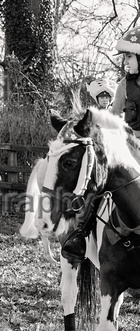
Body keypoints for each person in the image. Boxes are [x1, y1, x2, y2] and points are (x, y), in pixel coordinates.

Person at [61, 27, 140, 261]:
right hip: (129, 144)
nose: (125, 62)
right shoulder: (124, 85)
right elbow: (114, 117)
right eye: (125, 57)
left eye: (129, 57)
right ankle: (80, 234)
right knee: (99, 181)